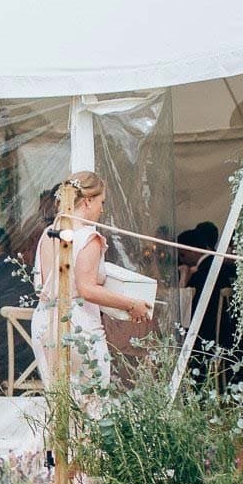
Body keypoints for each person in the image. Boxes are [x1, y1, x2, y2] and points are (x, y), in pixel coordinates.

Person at [31, 172, 150, 402]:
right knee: (91, 400)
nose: (102, 210)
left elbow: (47, 283)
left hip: (44, 320)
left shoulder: (48, 233)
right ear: (88, 201)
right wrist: (131, 304)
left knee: (59, 402)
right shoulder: (89, 237)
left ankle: (62, 439)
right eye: (101, 202)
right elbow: (87, 289)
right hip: (77, 323)